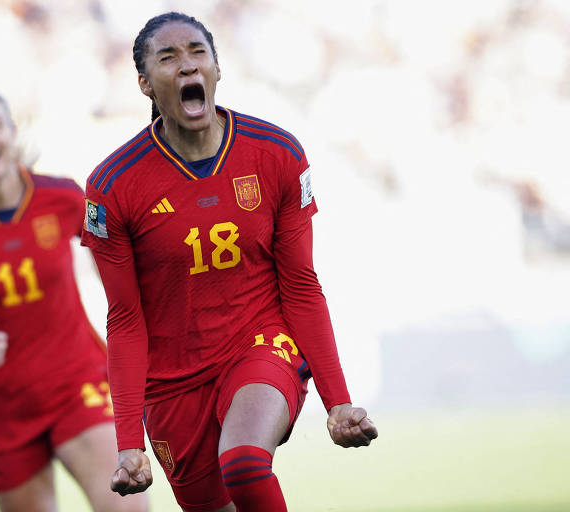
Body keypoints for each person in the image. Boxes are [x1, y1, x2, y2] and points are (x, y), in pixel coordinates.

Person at [81, 12, 378, 512]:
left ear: (217, 69)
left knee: (243, 462)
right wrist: (129, 441)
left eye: (197, 53)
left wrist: (338, 401)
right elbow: (125, 320)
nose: (186, 66)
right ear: (144, 84)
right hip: (172, 382)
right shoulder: (113, 186)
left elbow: (302, 285)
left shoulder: (276, 153)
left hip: (259, 343)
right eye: (168, 58)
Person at [0, 87, 148, 512]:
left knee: (127, 507)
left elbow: (114, 263)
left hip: (77, 383)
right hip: (0, 405)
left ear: (11, 132)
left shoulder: (62, 196)